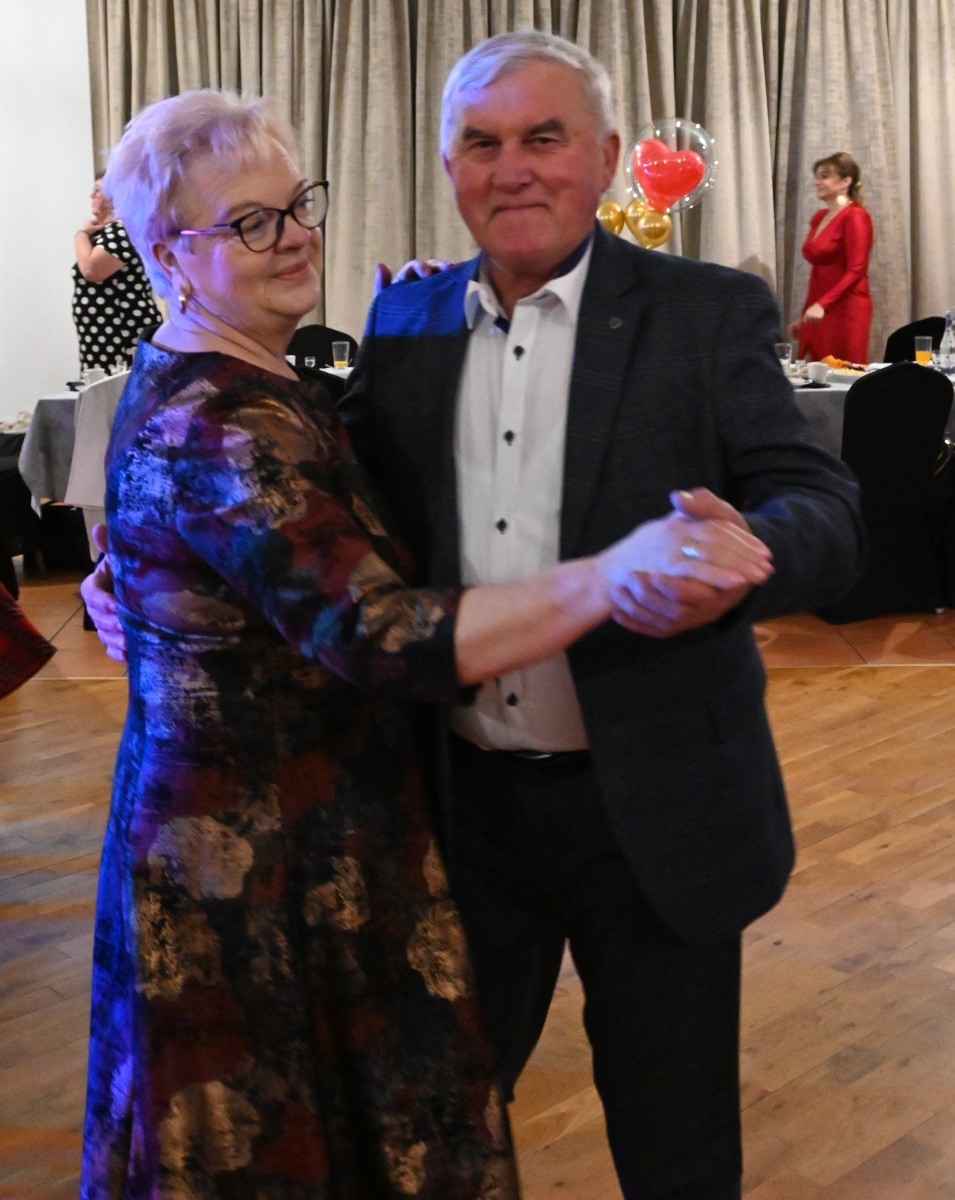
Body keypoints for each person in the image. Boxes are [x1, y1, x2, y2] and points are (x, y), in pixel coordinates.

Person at [78, 88, 773, 1199]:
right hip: (263, 864)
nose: (292, 236)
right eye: (249, 223)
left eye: (295, 205)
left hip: (355, 830)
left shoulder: (277, 375)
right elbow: (375, 625)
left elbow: (315, 516)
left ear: (599, 161)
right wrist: (614, 573)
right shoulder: (219, 418)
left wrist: (141, 573)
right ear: (169, 253)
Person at [73, 170, 162, 371]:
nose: (92, 195)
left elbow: (91, 270)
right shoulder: (107, 232)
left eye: (97, 190)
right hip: (105, 335)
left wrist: (80, 234)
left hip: (121, 332)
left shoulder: (122, 230)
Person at [789, 152, 873, 364]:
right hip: (819, 307)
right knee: (813, 371)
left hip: (846, 308)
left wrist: (823, 305)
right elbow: (818, 275)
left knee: (844, 371)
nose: (817, 182)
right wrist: (805, 314)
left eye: (824, 176)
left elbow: (857, 269)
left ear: (846, 181)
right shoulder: (819, 218)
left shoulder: (855, 216)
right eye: (817, 176)